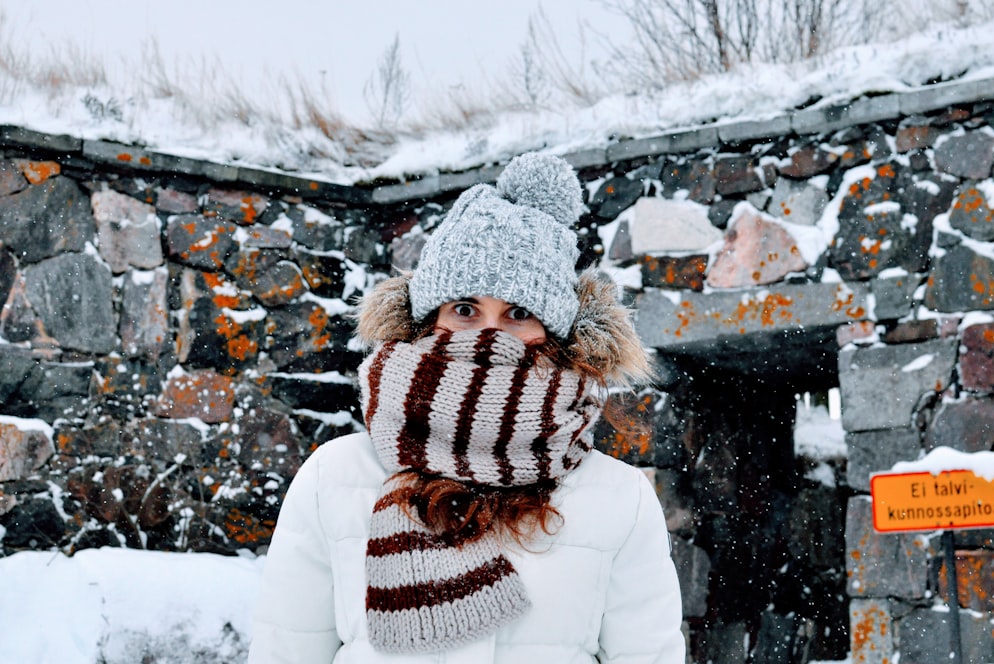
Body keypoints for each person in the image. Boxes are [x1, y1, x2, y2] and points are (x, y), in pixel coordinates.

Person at [248, 153, 686, 663]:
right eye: (464, 309)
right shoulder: (334, 476)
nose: (489, 335)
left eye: (519, 313)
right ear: (427, 319)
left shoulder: (618, 499)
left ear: (556, 334)